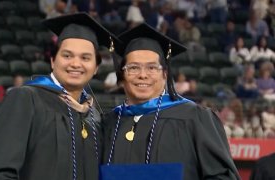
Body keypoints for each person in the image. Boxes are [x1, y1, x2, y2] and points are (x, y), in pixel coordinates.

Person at [0, 12, 119, 180]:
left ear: (96, 67)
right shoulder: (25, 100)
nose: (76, 64)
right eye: (67, 55)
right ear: (52, 60)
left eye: (85, 58)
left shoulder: (94, 117)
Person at [102, 23, 240, 179]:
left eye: (152, 68)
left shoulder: (194, 118)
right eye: (133, 68)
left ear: (165, 74)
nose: (143, 75)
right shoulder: (109, 122)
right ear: (122, 76)